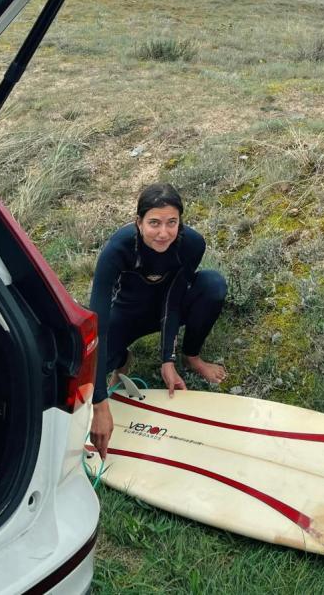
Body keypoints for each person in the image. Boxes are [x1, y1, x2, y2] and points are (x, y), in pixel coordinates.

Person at [88, 182, 227, 458]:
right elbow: (97, 323)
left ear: (180, 222)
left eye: (171, 222)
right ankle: (121, 360)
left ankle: (193, 355)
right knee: (86, 368)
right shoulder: (118, 249)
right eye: (154, 223)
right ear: (138, 222)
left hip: (165, 310)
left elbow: (173, 298)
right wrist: (99, 405)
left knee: (213, 285)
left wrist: (168, 358)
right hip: (124, 315)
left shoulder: (192, 244)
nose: (163, 233)